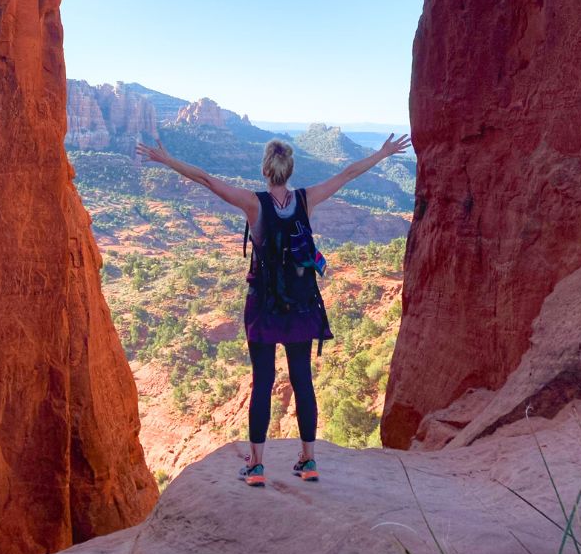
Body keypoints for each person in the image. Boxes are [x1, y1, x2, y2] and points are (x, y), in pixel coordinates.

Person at [135, 130, 411, 487]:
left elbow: (206, 179)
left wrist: (168, 160)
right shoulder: (306, 199)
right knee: (302, 381)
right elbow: (347, 174)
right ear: (290, 169)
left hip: (264, 307)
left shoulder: (254, 204)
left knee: (262, 383)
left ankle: (256, 466)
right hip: (300, 307)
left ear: (266, 170)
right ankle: (309, 461)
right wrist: (384, 153)